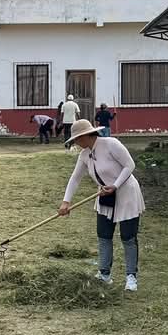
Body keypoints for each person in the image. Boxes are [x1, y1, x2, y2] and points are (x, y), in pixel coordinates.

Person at [58, 118, 146, 292]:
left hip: (126, 193)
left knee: (128, 237)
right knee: (104, 235)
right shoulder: (85, 155)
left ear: (85, 136)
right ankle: (104, 274)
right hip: (105, 195)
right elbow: (75, 178)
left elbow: (129, 165)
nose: (76, 143)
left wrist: (115, 185)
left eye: (76, 139)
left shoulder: (111, 144)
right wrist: (66, 202)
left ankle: (131, 277)